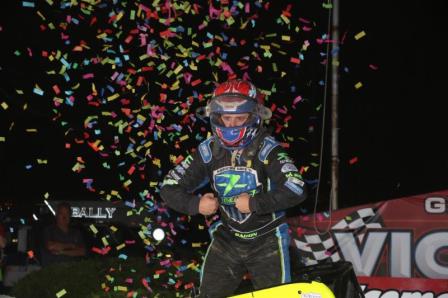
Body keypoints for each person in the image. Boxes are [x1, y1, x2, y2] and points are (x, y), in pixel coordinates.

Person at [160, 79, 307, 297]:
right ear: (215, 117)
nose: (232, 125)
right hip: (228, 240)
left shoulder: (269, 151)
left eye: (239, 118)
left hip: (267, 241)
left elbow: (297, 188)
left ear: (255, 117)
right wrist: (195, 204)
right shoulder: (207, 151)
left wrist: (255, 204)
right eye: (226, 118)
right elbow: (169, 186)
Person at [41, 202, 86, 267]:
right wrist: (72, 245)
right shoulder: (49, 230)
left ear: (70, 216)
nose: (64, 217)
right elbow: (51, 246)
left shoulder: (76, 233)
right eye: (61, 214)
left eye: (67, 214)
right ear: (56, 215)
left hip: (73, 271)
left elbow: (82, 251)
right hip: (53, 271)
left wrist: (62, 252)